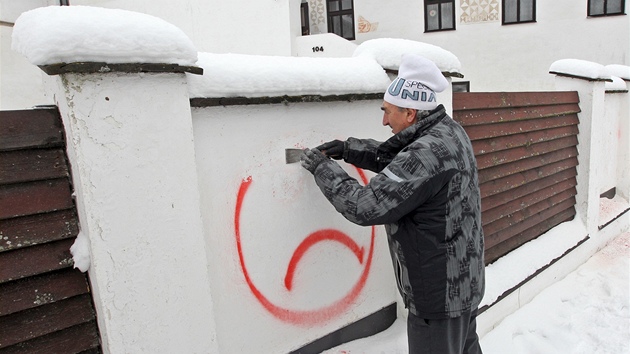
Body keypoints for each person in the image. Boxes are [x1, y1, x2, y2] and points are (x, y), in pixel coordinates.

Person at [299, 54, 485, 354]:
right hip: (462, 288)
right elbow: (403, 162)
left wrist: (322, 168)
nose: (383, 120)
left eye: (387, 112)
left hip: (437, 304)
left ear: (410, 113)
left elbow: (364, 205)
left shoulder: (426, 153)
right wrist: (349, 150)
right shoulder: (448, 132)